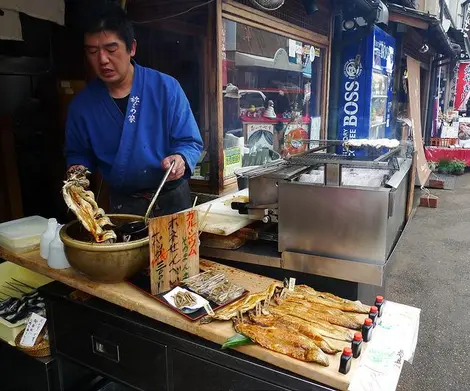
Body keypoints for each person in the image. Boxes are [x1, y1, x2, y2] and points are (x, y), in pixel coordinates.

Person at [64, 4, 203, 217]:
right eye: (93, 51)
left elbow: (190, 142)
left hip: (172, 200)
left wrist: (181, 158)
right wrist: (77, 172)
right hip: (124, 205)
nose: (102, 60)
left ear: (132, 48)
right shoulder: (82, 105)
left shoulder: (166, 88)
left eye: (111, 50)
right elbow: (78, 153)